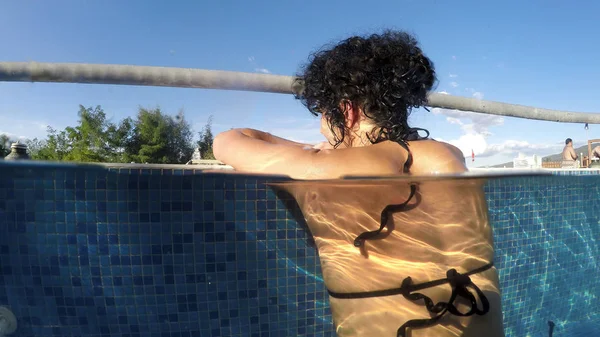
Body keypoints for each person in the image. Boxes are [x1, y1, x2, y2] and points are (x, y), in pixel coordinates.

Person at [214, 30, 504, 337]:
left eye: (324, 115)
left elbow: (228, 141)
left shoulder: (329, 168)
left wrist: (308, 151)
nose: (323, 130)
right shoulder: (448, 154)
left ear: (346, 110)